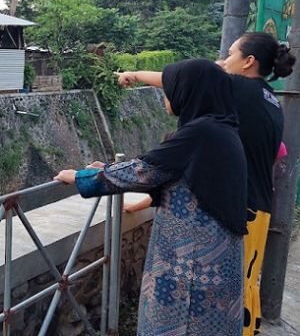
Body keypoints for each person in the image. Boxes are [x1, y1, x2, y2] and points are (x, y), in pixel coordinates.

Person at [117, 32, 295, 336]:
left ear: (248, 62)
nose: (224, 61)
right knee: (246, 284)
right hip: (259, 205)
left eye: (230, 54)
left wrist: (132, 74)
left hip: (237, 207)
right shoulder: (270, 100)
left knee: (224, 296)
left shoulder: (236, 87)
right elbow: (279, 153)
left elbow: (179, 77)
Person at [56, 59, 247, 335]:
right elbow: (174, 173)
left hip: (190, 262)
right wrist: (110, 169)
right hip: (211, 257)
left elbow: (145, 171)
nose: (165, 96)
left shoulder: (201, 132)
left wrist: (79, 178)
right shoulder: (222, 129)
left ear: (188, 93)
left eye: (169, 89)